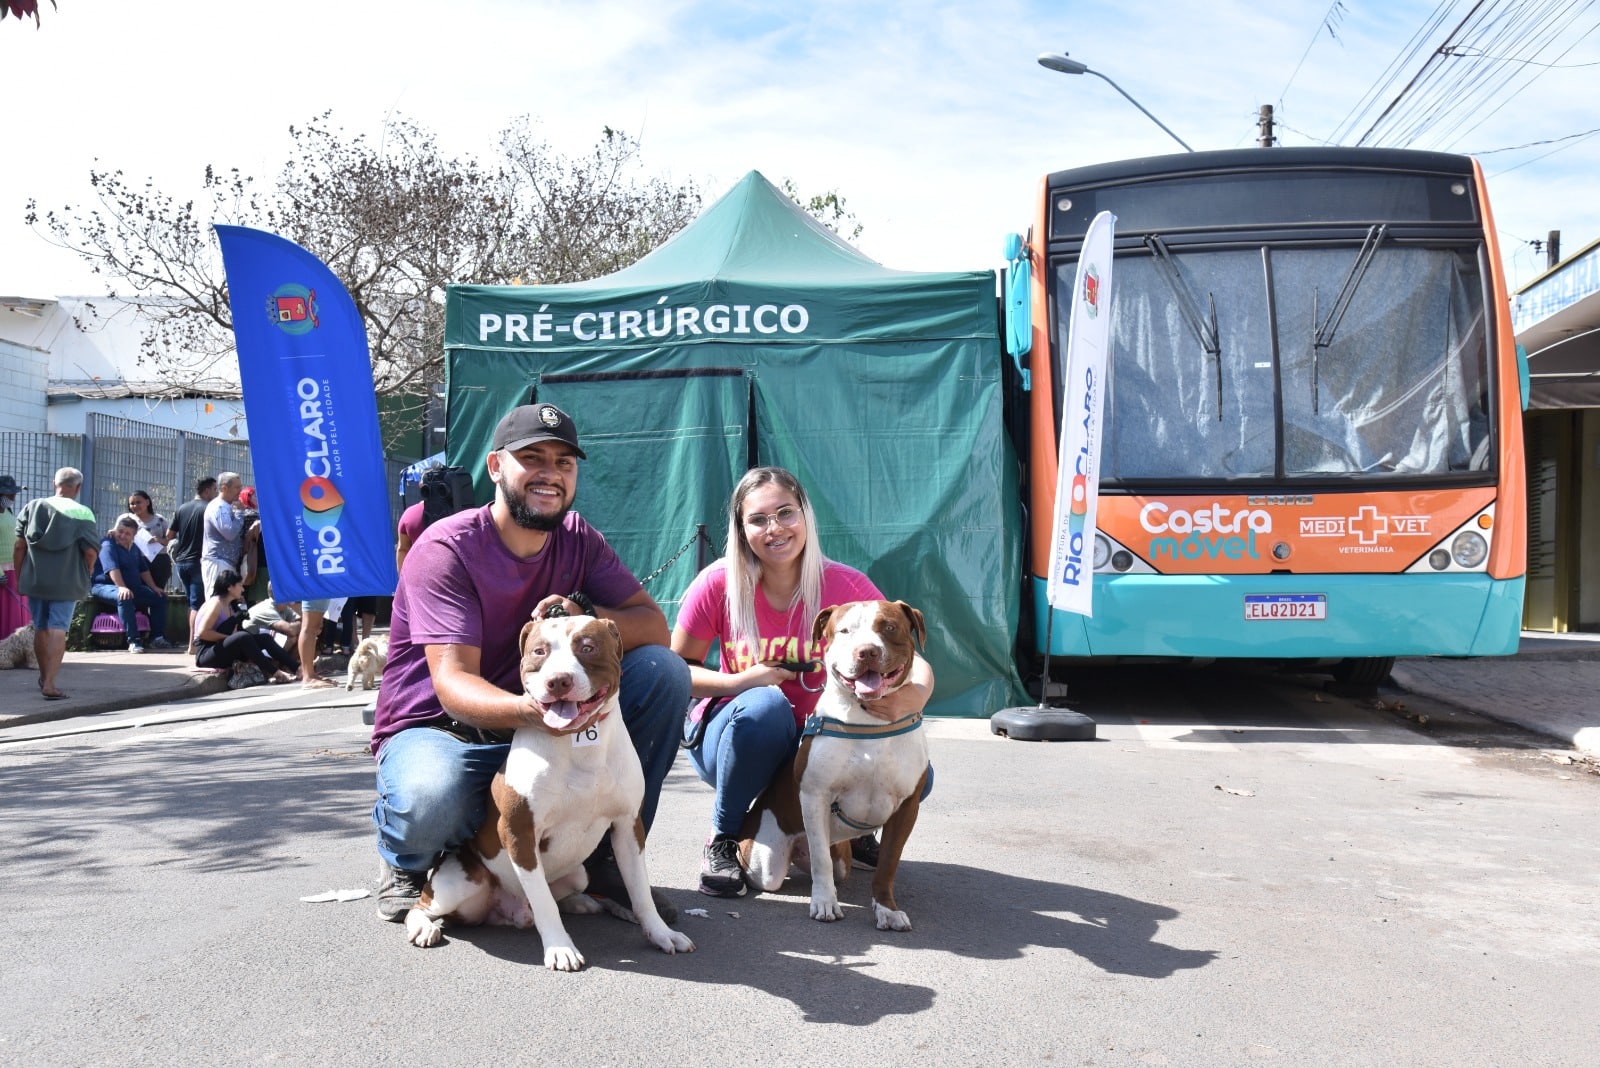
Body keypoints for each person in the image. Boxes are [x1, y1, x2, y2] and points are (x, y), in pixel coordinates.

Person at [368, 403, 689, 923]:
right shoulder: (447, 547)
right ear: (495, 467)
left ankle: (610, 859)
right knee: (431, 797)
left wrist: (585, 612)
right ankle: (408, 859)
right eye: (532, 458)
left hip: (532, 720)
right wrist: (537, 711)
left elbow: (654, 628)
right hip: (440, 728)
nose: (550, 474)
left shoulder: (577, 538)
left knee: (662, 672)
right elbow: (453, 684)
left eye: (564, 463)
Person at [671, 466, 935, 897]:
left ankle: (850, 826)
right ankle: (724, 835)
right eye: (758, 519)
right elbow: (676, 671)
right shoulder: (718, 583)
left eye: (785, 513)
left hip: (818, 739)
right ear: (741, 529)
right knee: (766, 708)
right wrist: (742, 681)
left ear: (806, 516)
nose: (774, 528)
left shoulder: (845, 584)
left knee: (917, 772)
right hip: (740, 736)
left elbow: (910, 656)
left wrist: (914, 697)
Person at [13, 467, 100, 700]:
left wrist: (22, 576)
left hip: (35, 579)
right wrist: (88, 571)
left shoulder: (32, 507)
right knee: (58, 629)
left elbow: (19, 546)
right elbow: (91, 552)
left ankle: (43, 677)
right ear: (78, 488)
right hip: (67, 581)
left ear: (55, 484)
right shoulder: (82, 513)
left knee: (40, 628)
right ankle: (50, 684)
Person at [193, 568, 296, 684]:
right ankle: (277, 673)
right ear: (229, 587)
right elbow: (203, 633)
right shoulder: (216, 604)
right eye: (240, 585)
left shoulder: (231, 605)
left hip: (221, 648)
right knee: (243, 637)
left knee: (264, 638)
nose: (242, 589)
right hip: (206, 654)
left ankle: (297, 668)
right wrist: (228, 637)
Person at [90, 513, 172, 653]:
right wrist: (121, 587)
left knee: (160, 597)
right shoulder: (108, 544)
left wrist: (154, 587)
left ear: (134, 536)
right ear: (115, 530)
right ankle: (134, 641)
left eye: (127, 534)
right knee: (125, 596)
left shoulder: (134, 547)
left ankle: (157, 638)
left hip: (133, 588)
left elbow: (143, 570)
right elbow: (112, 568)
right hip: (104, 586)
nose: (122, 536)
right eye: (120, 531)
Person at [170, 476, 217, 654]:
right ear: (206, 491)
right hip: (199, 562)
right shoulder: (209, 508)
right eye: (214, 490)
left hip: (181, 562)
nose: (216, 493)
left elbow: (169, 535)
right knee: (198, 604)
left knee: (192, 603)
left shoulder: (182, 508)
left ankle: (192, 643)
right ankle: (193, 645)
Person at [201, 472, 254, 593]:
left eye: (240, 487)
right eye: (237, 487)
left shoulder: (226, 506)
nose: (240, 491)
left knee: (225, 605)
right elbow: (229, 533)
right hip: (218, 563)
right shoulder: (219, 507)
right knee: (216, 602)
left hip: (225, 563)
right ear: (224, 488)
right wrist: (240, 513)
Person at [125, 490, 175, 590]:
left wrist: (159, 540)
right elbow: (118, 536)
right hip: (135, 559)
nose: (135, 506)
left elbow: (169, 539)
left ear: (147, 502)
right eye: (132, 504)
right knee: (139, 592)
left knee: (158, 591)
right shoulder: (126, 519)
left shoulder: (160, 519)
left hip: (159, 560)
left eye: (138, 502)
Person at [0, 474, 27, 640]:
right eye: (10, 494)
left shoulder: (8, 511)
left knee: (16, 615)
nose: (13, 497)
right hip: (2, 573)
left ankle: (14, 652)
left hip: (14, 569)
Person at [244, 582, 302, 657]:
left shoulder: (284, 607)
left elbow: (301, 621)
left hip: (265, 644)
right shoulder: (267, 608)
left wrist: (299, 625)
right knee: (293, 638)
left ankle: (289, 665)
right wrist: (299, 625)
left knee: (305, 634)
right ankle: (281, 666)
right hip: (251, 649)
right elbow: (291, 630)